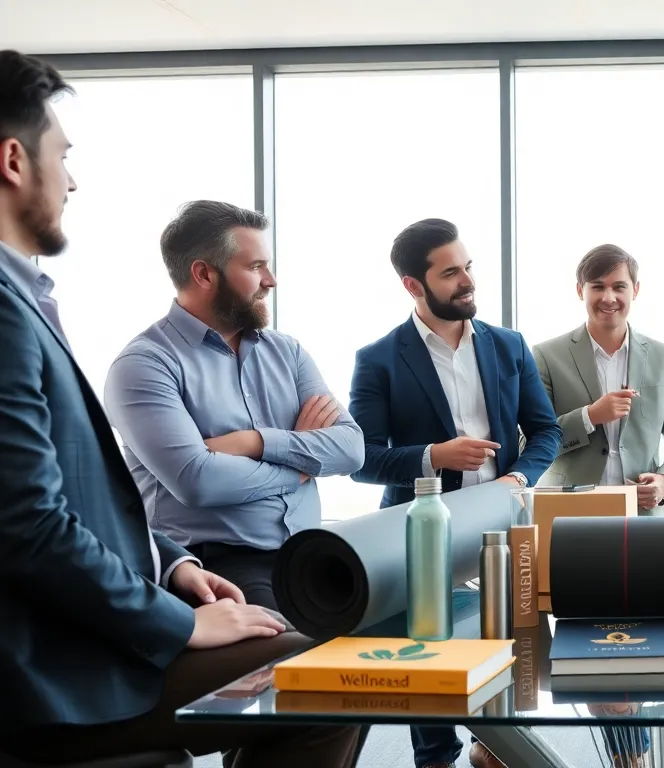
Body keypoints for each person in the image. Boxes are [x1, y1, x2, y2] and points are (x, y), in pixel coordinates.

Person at [0, 48, 358, 766]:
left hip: (181, 574)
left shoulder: (27, 300)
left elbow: (349, 447)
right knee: (323, 684)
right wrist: (177, 621)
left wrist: (172, 566)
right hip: (53, 671)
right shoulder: (57, 330)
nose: (73, 179)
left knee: (341, 656)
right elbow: (29, 525)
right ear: (14, 160)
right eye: (61, 156)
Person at [349, 217, 561, 768]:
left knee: (513, 645)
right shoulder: (378, 359)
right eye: (451, 273)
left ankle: (494, 746)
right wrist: (433, 456)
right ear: (413, 286)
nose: (467, 280)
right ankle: (436, 757)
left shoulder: (509, 345)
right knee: (431, 656)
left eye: (468, 267)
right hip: (421, 532)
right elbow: (361, 459)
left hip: (501, 522)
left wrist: (519, 478)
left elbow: (546, 431)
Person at [104, 200, 365, 611]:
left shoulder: (287, 352)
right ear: (204, 273)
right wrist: (299, 467)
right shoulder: (144, 366)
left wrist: (254, 442)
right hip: (213, 568)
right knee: (290, 656)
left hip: (309, 554)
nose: (271, 280)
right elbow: (199, 481)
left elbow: (351, 449)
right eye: (256, 267)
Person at [531, 243, 664, 512]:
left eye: (619, 287)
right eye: (597, 286)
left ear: (635, 290)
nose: (609, 297)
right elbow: (529, 441)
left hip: (642, 518)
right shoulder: (546, 356)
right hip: (567, 515)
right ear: (580, 290)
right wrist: (589, 416)